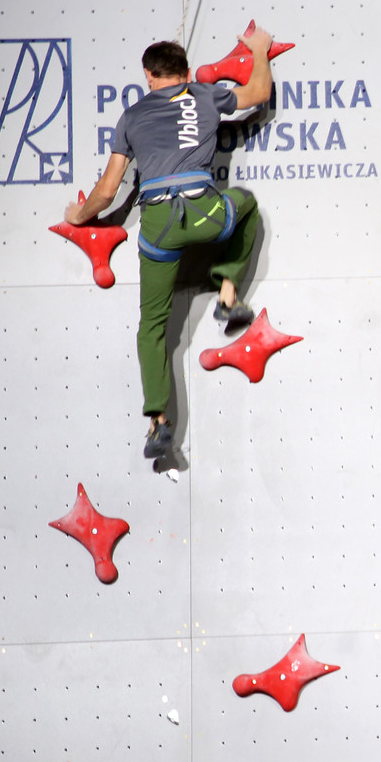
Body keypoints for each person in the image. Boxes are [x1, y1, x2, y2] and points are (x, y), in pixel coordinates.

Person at [61, 28, 275, 458]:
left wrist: (77, 216)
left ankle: (158, 423)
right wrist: (259, 51)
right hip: (205, 212)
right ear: (186, 72)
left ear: (149, 76)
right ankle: (228, 294)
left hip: (159, 226)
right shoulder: (205, 95)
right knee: (246, 205)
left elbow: (107, 191)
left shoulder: (132, 116)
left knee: (152, 327)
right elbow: (258, 94)